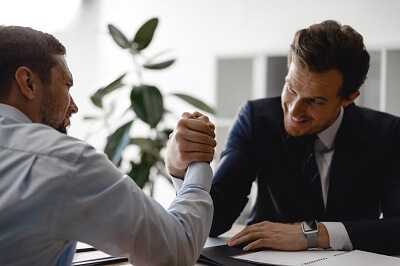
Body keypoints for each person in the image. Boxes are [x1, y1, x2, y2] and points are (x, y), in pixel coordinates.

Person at [165, 20, 400, 255]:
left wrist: (312, 233)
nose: (294, 111)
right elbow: (215, 221)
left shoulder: (386, 133)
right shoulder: (256, 119)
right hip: (262, 259)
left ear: (348, 98)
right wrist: (180, 168)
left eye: (314, 100)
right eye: (291, 89)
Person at [0, 25, 217, 266]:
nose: (73, 107)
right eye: (66, 86)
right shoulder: (63, 161)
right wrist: (195, 166)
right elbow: (177, 248)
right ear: (28, 83)